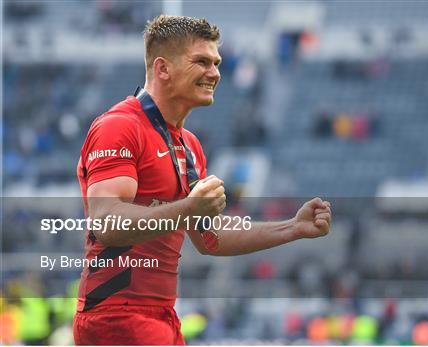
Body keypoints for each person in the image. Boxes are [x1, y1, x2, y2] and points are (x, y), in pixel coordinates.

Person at [73, 15, 332, 345]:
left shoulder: (190, 145)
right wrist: (188, 209)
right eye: (201, 62)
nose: (215, 73)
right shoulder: (120, 127)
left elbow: (211, 237)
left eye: (216, 62)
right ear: (163, 68)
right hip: (116, 317)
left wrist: (292, 228)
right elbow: (107, 222)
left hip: (161, 315)